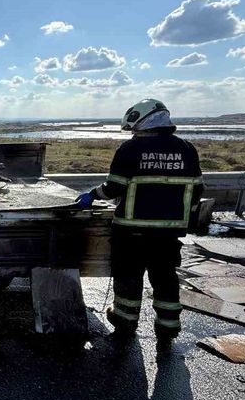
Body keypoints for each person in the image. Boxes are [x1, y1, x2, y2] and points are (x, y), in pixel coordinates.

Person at [75, 99, 204, 342]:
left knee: (129, 277)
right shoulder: (188, 149)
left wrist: (92, 195)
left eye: (134, 129)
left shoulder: (130, 150)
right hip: (168, 233)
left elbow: (113, 187)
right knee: (165, 277)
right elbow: (197, 189)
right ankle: (168, 327)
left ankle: (125, 323)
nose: (133, 134)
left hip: (131, 232)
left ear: (142, 122)